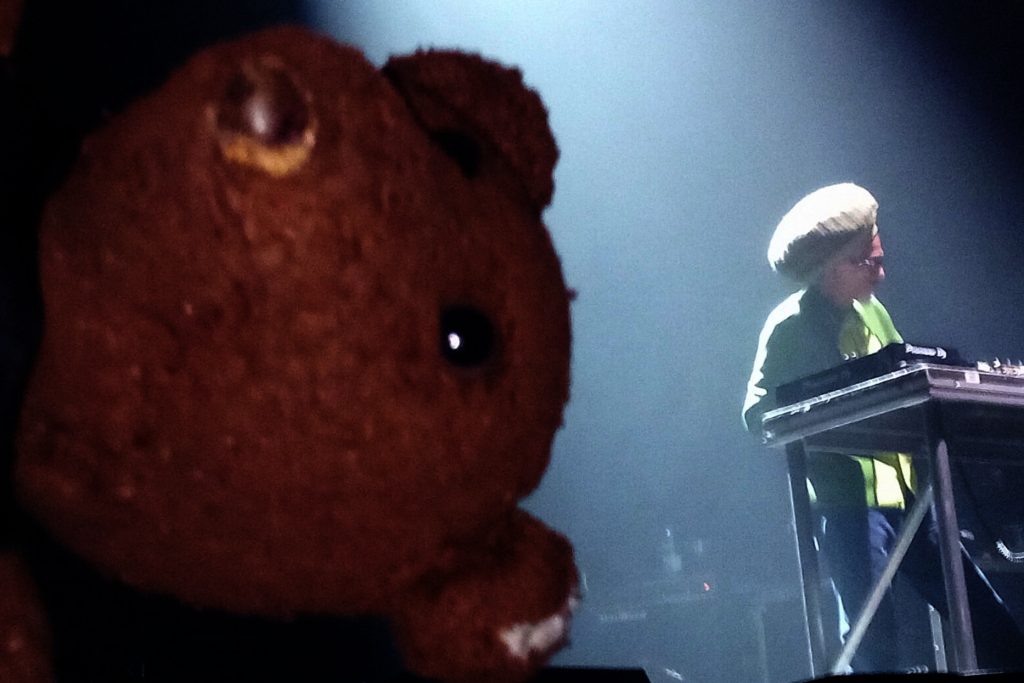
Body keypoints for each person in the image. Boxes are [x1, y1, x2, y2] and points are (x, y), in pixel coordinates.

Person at [742, 182, 1024, 672]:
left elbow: (909, 380)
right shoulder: (787, 326)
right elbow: (757, 414)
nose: (881, 272)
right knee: (874, 646)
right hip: (849, 506)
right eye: (868, 262)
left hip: (911, 499)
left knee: (989, 626)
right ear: (832, 268)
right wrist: (825, 404)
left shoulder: (874, 311)